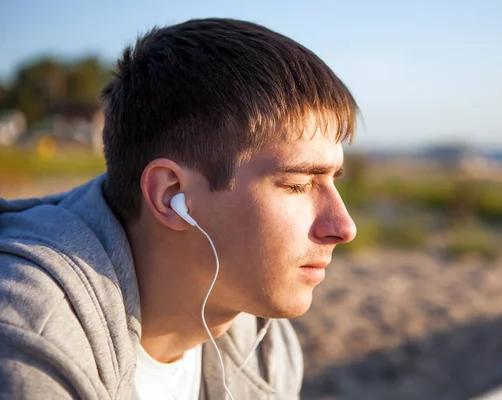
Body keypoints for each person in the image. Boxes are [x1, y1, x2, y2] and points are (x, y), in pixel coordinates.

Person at [0, 17, 358, 399]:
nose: (343, 226)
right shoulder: (33, 338)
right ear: (171, 196)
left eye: (333, 179)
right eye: (298, 184)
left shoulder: (266, 345)